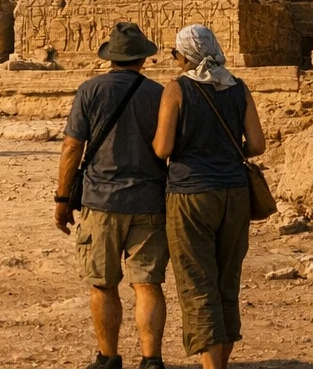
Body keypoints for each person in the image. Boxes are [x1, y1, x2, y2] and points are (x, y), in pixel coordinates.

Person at [55, 22, 168, 369]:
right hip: (150, 199)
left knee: (103, 284)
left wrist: (62, 199)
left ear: (111, 58)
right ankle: (151, 360)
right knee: (147, 283)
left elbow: (73, 146)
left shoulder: (90, 90)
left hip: (101, 201)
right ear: (142, 59)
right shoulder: (160, 93)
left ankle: (108, 357)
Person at [152, 24, 266, 369]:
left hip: (191, 195)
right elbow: (258, 145)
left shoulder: (176, 89)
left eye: (175, 54)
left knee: (196, 281)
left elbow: (163, 148)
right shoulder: (238, 87)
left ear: (184, 56)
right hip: (235, 192)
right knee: (226, 279)